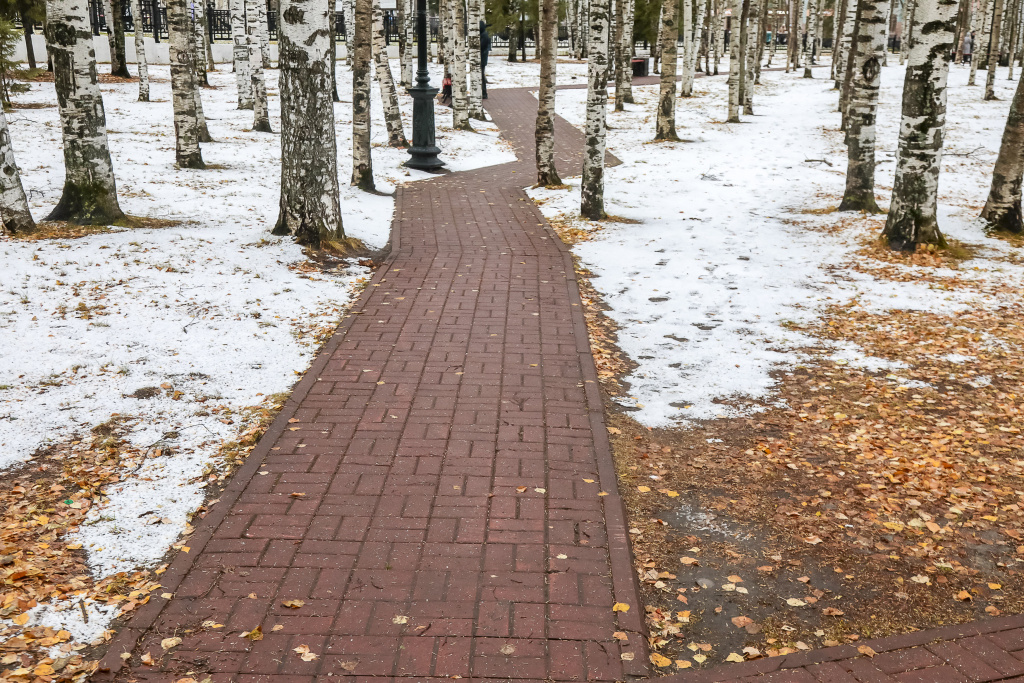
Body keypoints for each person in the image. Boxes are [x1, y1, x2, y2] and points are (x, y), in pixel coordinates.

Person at [480, 20, 491, 99]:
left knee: (481, 76)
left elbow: (481, 46)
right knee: (481, 75)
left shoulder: (484, 35)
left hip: (482, 58)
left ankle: (484, 92)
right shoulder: (484, 34)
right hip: (482, 58)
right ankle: (482, 91)